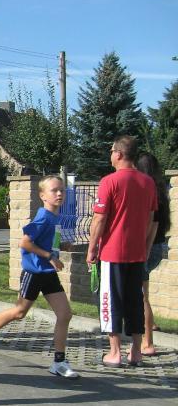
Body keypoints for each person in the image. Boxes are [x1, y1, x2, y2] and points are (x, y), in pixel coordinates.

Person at [0, 175, 78, 378]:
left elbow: (48, 242)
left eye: (62, 190)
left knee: (65, 314)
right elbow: (25, 242)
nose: (59, 193)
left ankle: (59, 362)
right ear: (42, 195)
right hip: (33, 272)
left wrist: (61, 246)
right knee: (19, 312)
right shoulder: (43, 217)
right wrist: (49, 256)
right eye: (54, 190)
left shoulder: (55, 217)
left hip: (48, 274)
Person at [86, 135, 158, 367]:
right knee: (135, 300)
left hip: (112, 253)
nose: (110, 155)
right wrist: (143, 246)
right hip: (137, 254)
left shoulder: (109, 181)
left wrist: (91, 249)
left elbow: (99, 219)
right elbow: (150, 219)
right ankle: (136, 352)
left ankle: (114, 352)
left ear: (118, 154)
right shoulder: (148, 182)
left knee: (110, 300)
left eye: (111, 151)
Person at [136, 152, 171, 356]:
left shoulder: (147, 192)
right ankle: (150, 326)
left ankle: (147, 342)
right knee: (143, 294)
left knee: (141, 296)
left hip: (147, 247)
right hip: (158, 246)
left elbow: (151, 223)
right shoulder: (160, 190)